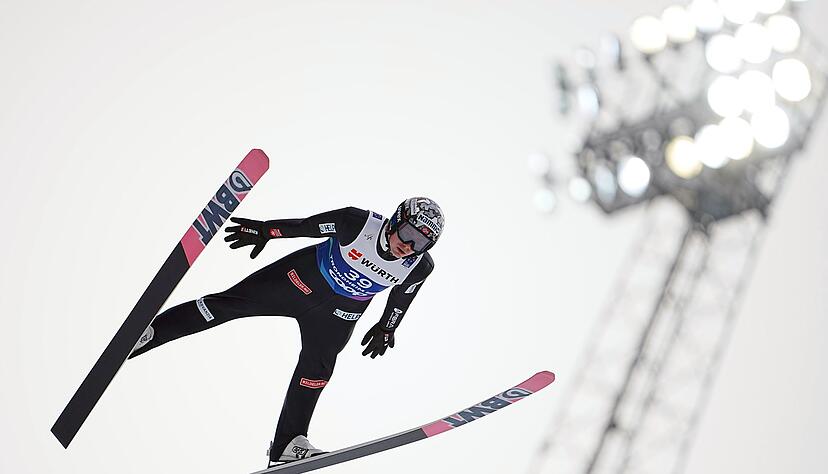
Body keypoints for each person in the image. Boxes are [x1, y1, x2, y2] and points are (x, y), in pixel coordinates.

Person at [128, 197, 445, 466]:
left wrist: (386, 328)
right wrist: (267, 230)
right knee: (225, 305)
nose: (408, 246)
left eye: (421, 243)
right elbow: (306, 227)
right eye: (407, 234)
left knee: (318, 370)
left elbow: (402, 298)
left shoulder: (419, 266)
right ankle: (150, 333)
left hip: (338, 315)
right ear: (395, 220)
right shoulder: (356, 223)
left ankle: (288, 445)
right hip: (296, 282)